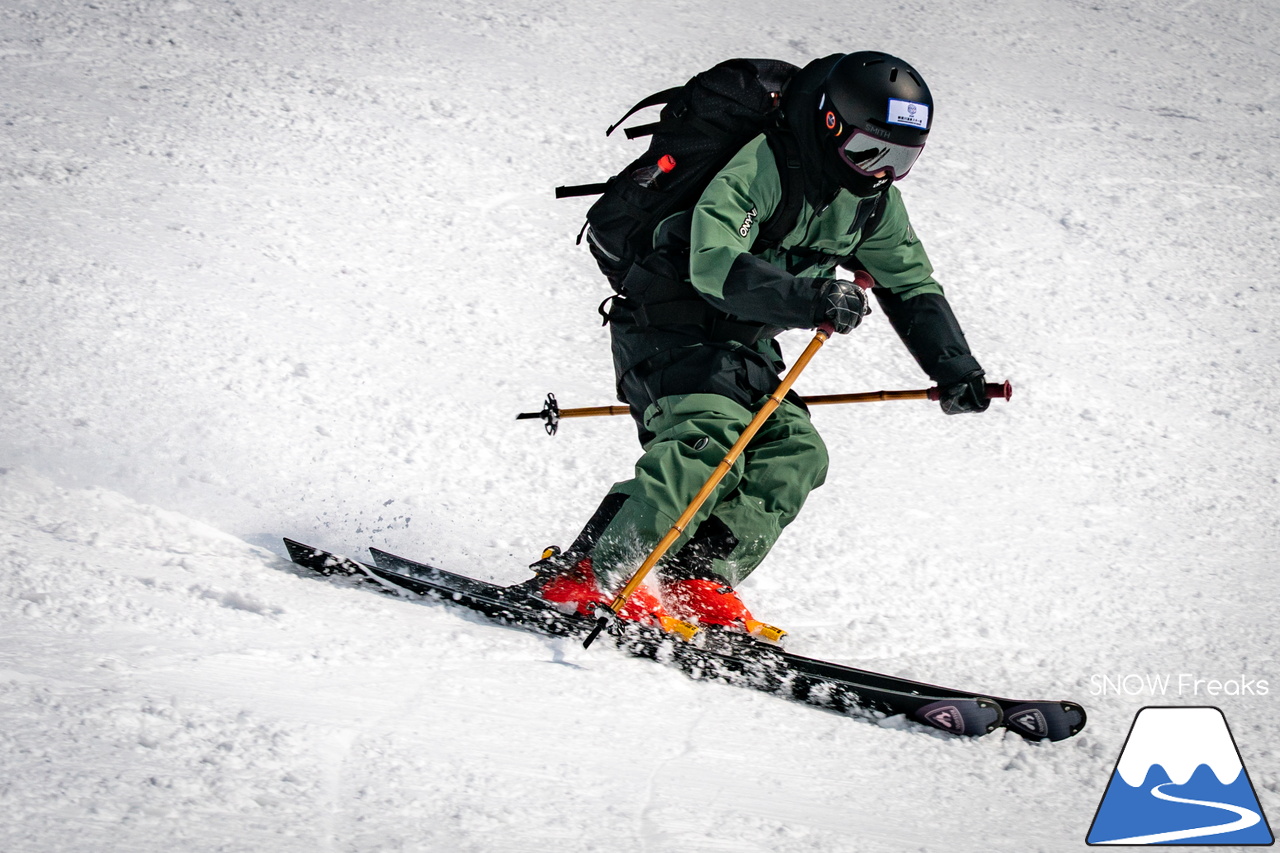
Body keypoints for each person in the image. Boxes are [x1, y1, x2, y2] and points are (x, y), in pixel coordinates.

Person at [536, 51, 991, 638]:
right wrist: (810, 298)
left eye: (902, 159)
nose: (880, 171)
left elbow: (910, 284)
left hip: (747, 347)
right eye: (867, 152)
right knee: (708, 442)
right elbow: (712, 262)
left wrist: (954, 367)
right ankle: (589, 576)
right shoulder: (765, 165)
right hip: (670, 327)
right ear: (830, 123)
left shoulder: (872, 202)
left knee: (796, 454)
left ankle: (694, 578)